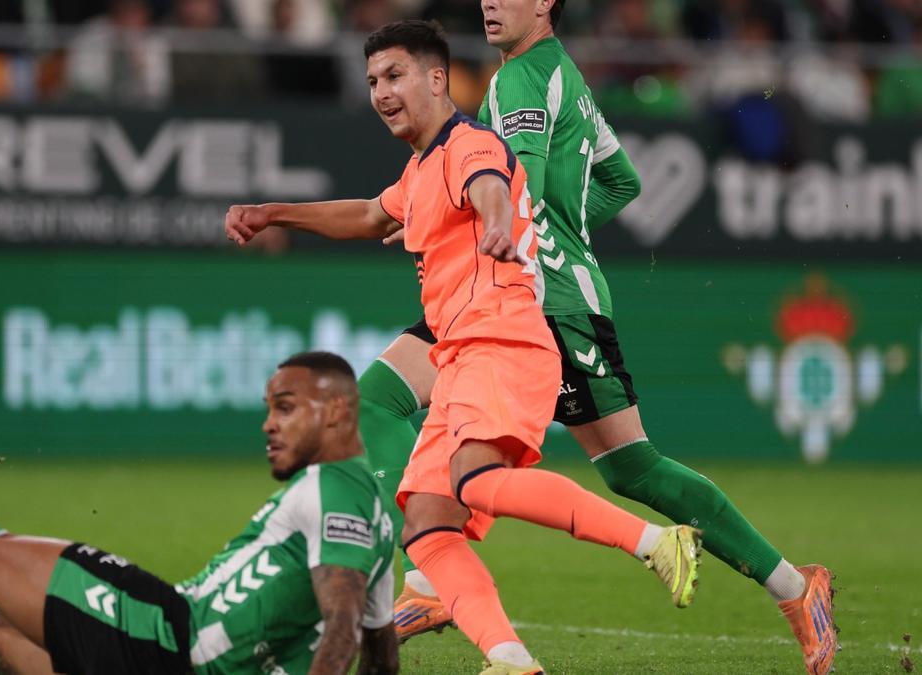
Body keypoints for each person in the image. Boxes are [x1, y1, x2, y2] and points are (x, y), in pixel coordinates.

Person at [368, 2, 839, 673]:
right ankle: (429, 576)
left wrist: (479, 219)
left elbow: (513, 182)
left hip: (535, 297)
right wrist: (564, 230)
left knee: (628, 466)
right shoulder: (562, 73)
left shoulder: (520, 79)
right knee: (392, 399)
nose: (491, 3)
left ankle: (792, 585)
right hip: (524, 291)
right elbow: (623, 181)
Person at [226, 20, 702, 675]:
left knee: (475, 478)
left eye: (395, 75)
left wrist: (501, 225)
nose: (381, 92)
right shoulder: (421, 168)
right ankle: (510, 658)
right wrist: (274, 212)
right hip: (459, 354)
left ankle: (654, 540)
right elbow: (368, 215)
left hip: (503, 340)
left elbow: (491, 187)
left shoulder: (469, 143)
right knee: (426, 526)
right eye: (372, 80)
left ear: (436, 78)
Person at [0, 352, 400, 675]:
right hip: (171, 653)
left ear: (338, 412)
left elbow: (343, 625)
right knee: (4, 635)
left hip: (164, 640)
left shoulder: (333, 490)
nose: (268, 424)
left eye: (286, 408)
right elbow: (380, 651)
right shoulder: (373, 520)